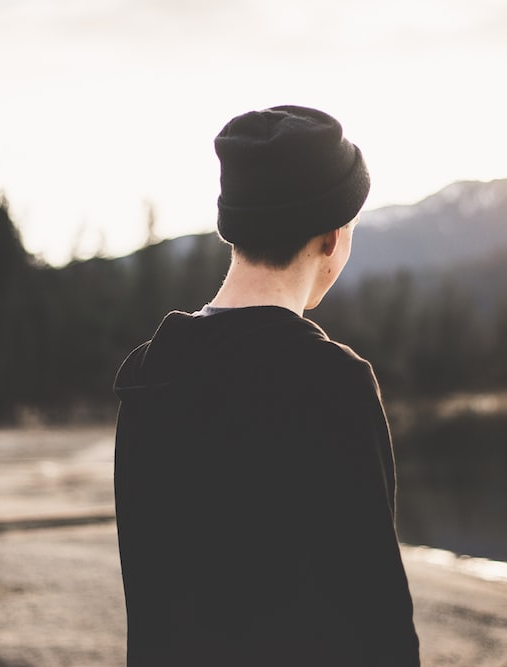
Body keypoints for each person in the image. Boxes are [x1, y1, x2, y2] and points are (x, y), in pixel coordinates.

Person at [113, 105, 419, 666]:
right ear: (332, 237)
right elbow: (378, 618)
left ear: (237, 230)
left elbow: (149, 592)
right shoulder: (335, 382)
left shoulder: (147, 374)